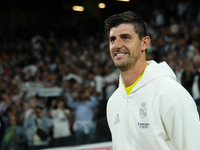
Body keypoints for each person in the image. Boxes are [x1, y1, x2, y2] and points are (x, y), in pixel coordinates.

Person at [104, 11, 200, 150]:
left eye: (125, 38)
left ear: (144, 43)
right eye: (112, 39)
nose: (117, 45)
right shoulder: (113, 102)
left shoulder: (170, 94)